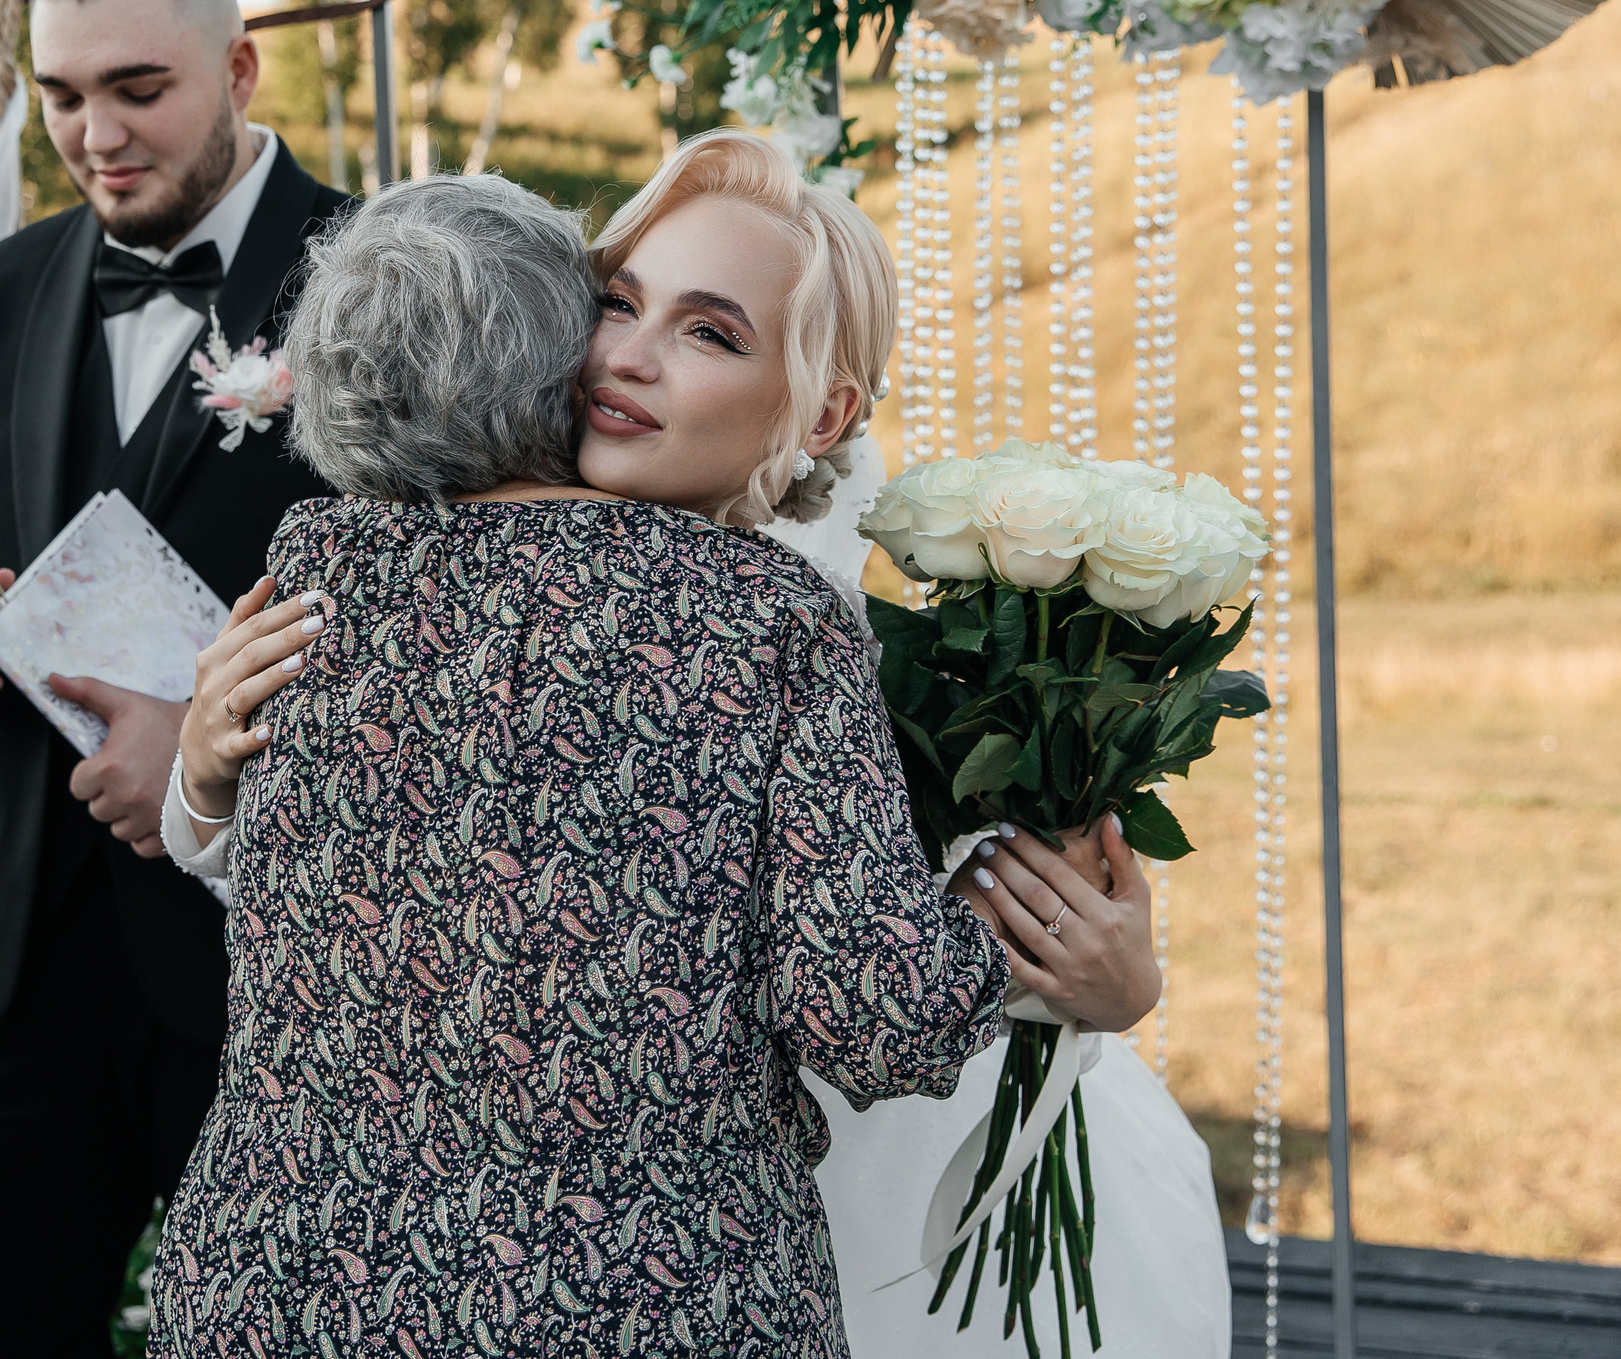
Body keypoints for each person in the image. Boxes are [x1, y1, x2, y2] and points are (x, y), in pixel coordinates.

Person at [177, 133, 1226, 1356]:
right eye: (618, 303)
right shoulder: (770, 625)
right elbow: (875, 1009)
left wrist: (1101, 987)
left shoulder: (333, 552)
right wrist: (201, 776)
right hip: (645, 1289)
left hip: (281, 1283)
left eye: (709, 333)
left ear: (825, 411)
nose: (626, 356)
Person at [0, 0, 354, 1355]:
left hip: (276, 954)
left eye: (138, 88)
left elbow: (455, 603)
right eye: (63, 96)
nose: (94, 134)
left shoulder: (380, 275)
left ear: (240, 69)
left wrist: (212, 743)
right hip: (18, 960)